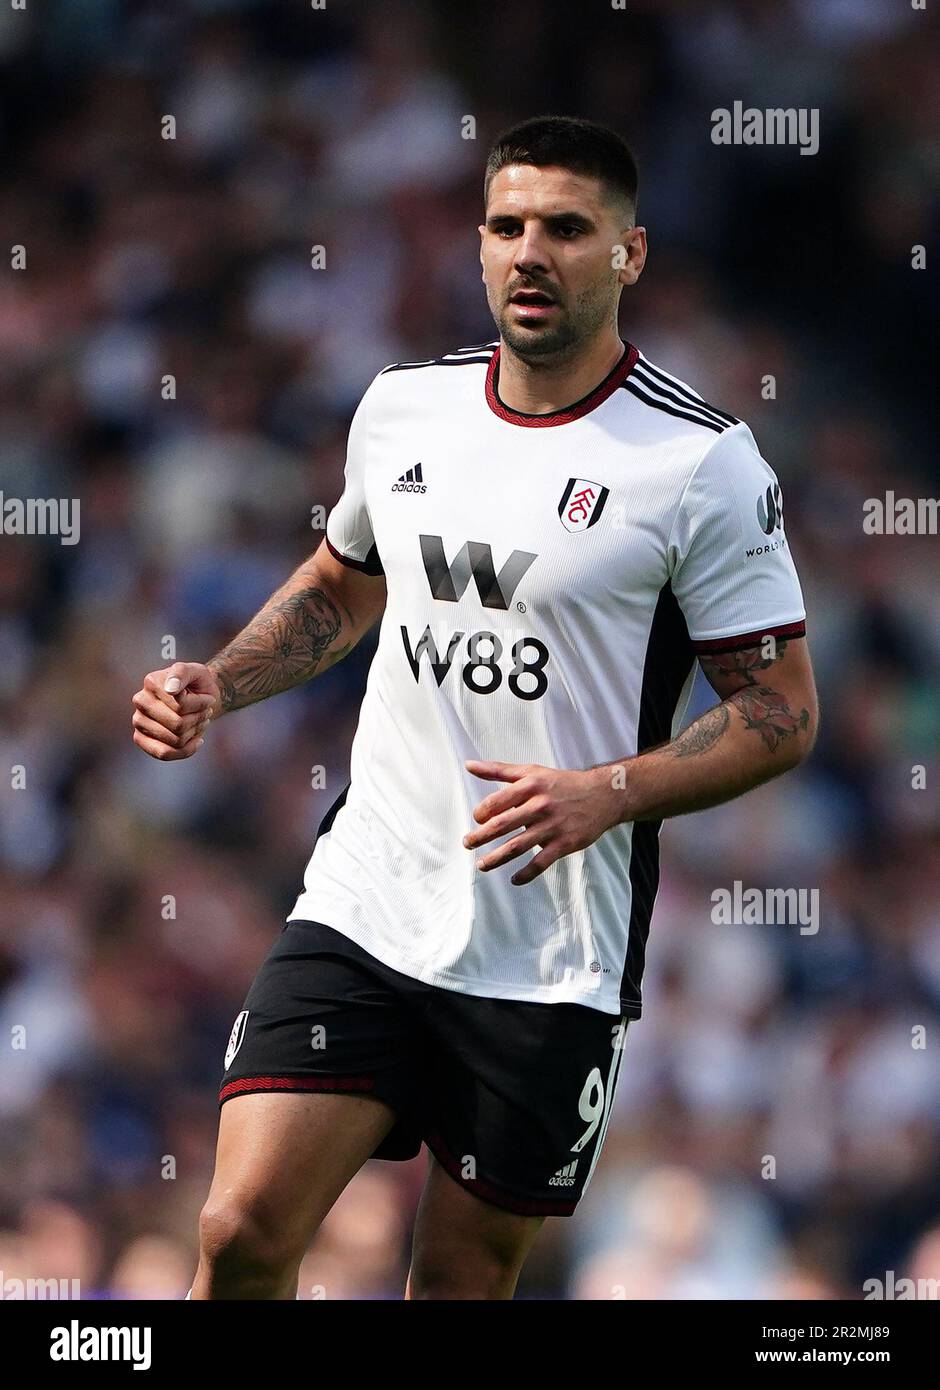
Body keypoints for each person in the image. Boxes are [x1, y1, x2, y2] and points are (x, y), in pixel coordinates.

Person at [131, 115, 818, 1300]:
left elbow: (780, 709)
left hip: (550, 954)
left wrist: (606, 791)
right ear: (479, 246)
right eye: (506, 227)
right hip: (369, 897)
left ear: (630, 254)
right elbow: (345, 580)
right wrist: (220, 682)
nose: (529, 253)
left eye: (566, 228)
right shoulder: (404, 405)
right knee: (241, 1229)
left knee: (454, 1280)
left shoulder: (700, 463)